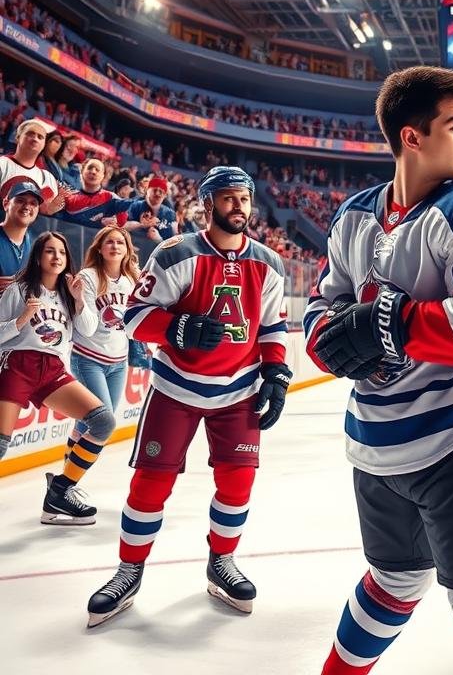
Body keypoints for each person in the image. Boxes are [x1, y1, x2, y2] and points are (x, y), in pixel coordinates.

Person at [304, 66, 453, 675]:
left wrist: (381, 323)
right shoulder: (352, 216)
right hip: (376, 449)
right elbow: (319, 310)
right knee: (393, 581)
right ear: (412, 137)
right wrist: (329, 336)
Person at [86, 166, 292, 628]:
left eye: (244, 198)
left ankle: (222, 561)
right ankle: (129, 570)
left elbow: (273, 326)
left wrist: (277, 373)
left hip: (238, 391)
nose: (238, 205)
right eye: (228, 198)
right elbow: (135, 316)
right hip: (176, 388)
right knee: (151, 484)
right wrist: (176, 328)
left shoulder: (270, 262)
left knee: (237, 484)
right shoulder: (175, 252)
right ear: (208, 202)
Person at [0, 231, 117, 525]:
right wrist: (22, 318)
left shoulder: (68, 293)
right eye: (50, 251)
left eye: (62, 253)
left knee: (103, 421)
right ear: (38, 256)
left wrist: (79, 300)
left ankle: (60, 492)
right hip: (18, 364)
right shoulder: (19, 290)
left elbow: (88, 330)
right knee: (1, 444)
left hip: (53, 369)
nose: (57, 257)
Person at [62, 226, 141, 463]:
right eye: (109, 242)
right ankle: (65, 483)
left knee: (86, 420)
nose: (115, 246)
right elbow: (85, 328)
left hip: (118, 362)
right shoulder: (89, 276)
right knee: (103, 421)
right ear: (99, 248)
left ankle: (62, 479)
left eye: (120, 242)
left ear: (127, 250)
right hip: (88, 359)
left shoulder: (131, 279)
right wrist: (79, 302)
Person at [0, 119, 64, 215]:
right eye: (30, 134)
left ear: (43, 144)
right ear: (17, 138)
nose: (35, 139)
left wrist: (47, 212)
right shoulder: (2, 164)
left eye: (40, 137)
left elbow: (46, 216)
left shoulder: (48, 178)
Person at [62, 158, 130, 229]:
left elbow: (121, 222)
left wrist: (113, 222)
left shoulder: (111, 198)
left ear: (103, 175)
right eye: (89, 168)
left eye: (97, 170)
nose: (93, 172)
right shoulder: (68, 196)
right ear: (82, 172)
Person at [0, 181, 43, 293]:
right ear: (6, 204)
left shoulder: (36, 246)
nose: (27, 206)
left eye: (33, 203)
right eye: (20, 200)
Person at [124, 176, 177, 241]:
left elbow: (172, 241)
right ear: (147, 190)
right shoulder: (135, 205)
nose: (157, 193)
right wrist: (140, 225)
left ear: (165, 195)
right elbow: (121, 225)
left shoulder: (170, 214)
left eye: (160, 191)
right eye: (154, 190)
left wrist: (158, 239)